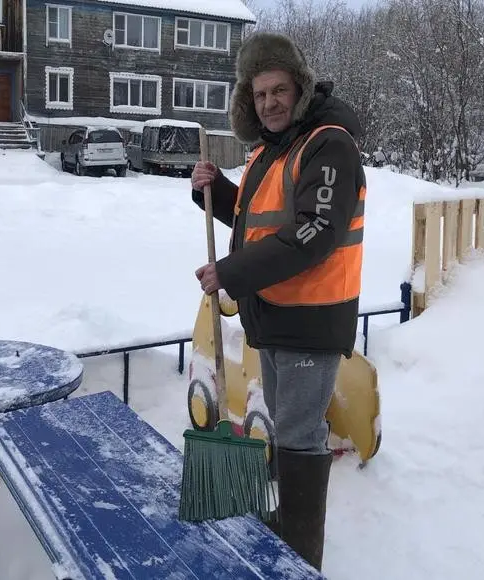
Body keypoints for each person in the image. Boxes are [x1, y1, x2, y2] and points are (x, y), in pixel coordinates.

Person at [190, 31, 365, 572]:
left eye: (279, 90)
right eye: (259, 93)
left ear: (300, 89)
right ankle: (285, 526)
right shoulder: (273, 149)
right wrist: (215, 189)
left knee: (299, 436)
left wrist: (232, 273)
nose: (269, 102)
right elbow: (258, 221)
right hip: (273, 316)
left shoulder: (327, 143)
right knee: (287, 432)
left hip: (311, 319)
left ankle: (300, 555)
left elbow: (316, 232)